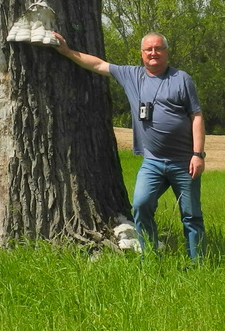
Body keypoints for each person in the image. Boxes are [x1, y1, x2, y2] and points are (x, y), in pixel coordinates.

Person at [48, 30, 206, 259]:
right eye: (148, 49)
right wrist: (66, 51)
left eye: (158, 48)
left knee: (191, 215)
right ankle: (151, 257)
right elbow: (98, 65)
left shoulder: (181, 79)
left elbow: (197, 117)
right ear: (141, 54)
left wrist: (198, 154)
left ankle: (197, 264)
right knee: (141, 206)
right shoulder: (132, 75)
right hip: (152, 161)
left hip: (184, 162)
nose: (154, 53)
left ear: (166, 52)